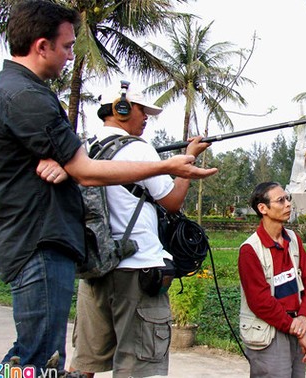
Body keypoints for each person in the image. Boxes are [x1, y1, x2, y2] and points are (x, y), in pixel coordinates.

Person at [0, 1, 216, 373]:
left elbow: (76, 166)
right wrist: (175, 164)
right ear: (42, 46)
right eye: (68, 46)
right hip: (43, 242)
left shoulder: (60, 123)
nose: (72, 54)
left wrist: (66, 166)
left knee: (42, 355)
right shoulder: (27, 97)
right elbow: (157, 196)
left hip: (75, 257)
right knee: (39, 358)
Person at [68, 86, 208, 377]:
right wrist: (188, 158)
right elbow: (171, 202)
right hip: (138, 271)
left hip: (95, 267)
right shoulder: (139, 148)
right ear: (120, 108)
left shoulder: (83, 148)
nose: (146, 117)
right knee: (139, 368)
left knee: (84, 364)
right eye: (141, 110)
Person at [237, 182, 306, 377]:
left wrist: (304, 317)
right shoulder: (250, 250)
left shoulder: (293, 240)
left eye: (288, 198)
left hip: (296, 324)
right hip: (269, 332)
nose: (288, 204)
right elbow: (260, 302)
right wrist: (295, 328)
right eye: (280, 200)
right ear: (262, 208)